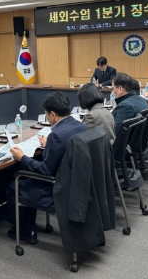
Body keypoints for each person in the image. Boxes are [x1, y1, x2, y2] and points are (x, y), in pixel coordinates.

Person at [5, 92, 87, 244]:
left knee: (14, 185)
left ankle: (23, 230)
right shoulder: (81, 126)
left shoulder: (56, 135)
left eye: (46, 114)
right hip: (77, 184)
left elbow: (46, 171)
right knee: (28, 180)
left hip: (58, 188)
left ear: (53, 114)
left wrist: (22, 157)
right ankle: (29, 226)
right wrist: (50, 144)